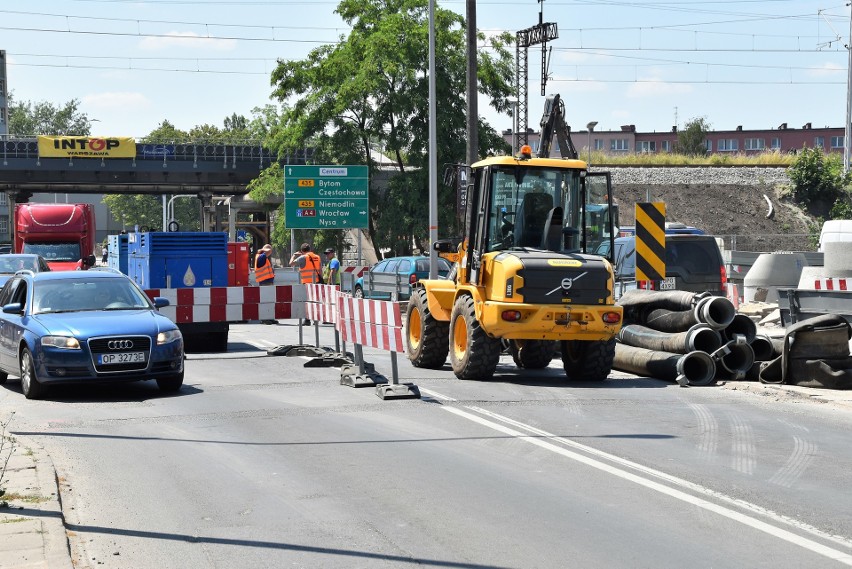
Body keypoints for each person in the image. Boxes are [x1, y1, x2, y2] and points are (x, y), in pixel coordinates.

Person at [290, 242, 322, 325]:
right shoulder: (317, 257)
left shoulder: (302, 257)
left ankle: (307, 320)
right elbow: (320, 271)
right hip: (316, 282)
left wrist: (294, 255)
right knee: (315, 301)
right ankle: (316, 320)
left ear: (302, 251)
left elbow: (291, 263)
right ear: (310, 249)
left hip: (306, 283)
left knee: (307, 302)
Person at [254, 244, 277, 324]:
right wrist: (265, 249)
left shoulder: (264, 258)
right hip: (264, 283)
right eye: (269, 251)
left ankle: (270, 317)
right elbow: (268, 251)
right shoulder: (261, 257)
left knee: (270, 301)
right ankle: (264, 318)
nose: (270, 252)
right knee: (265, 301)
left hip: (267, 282)